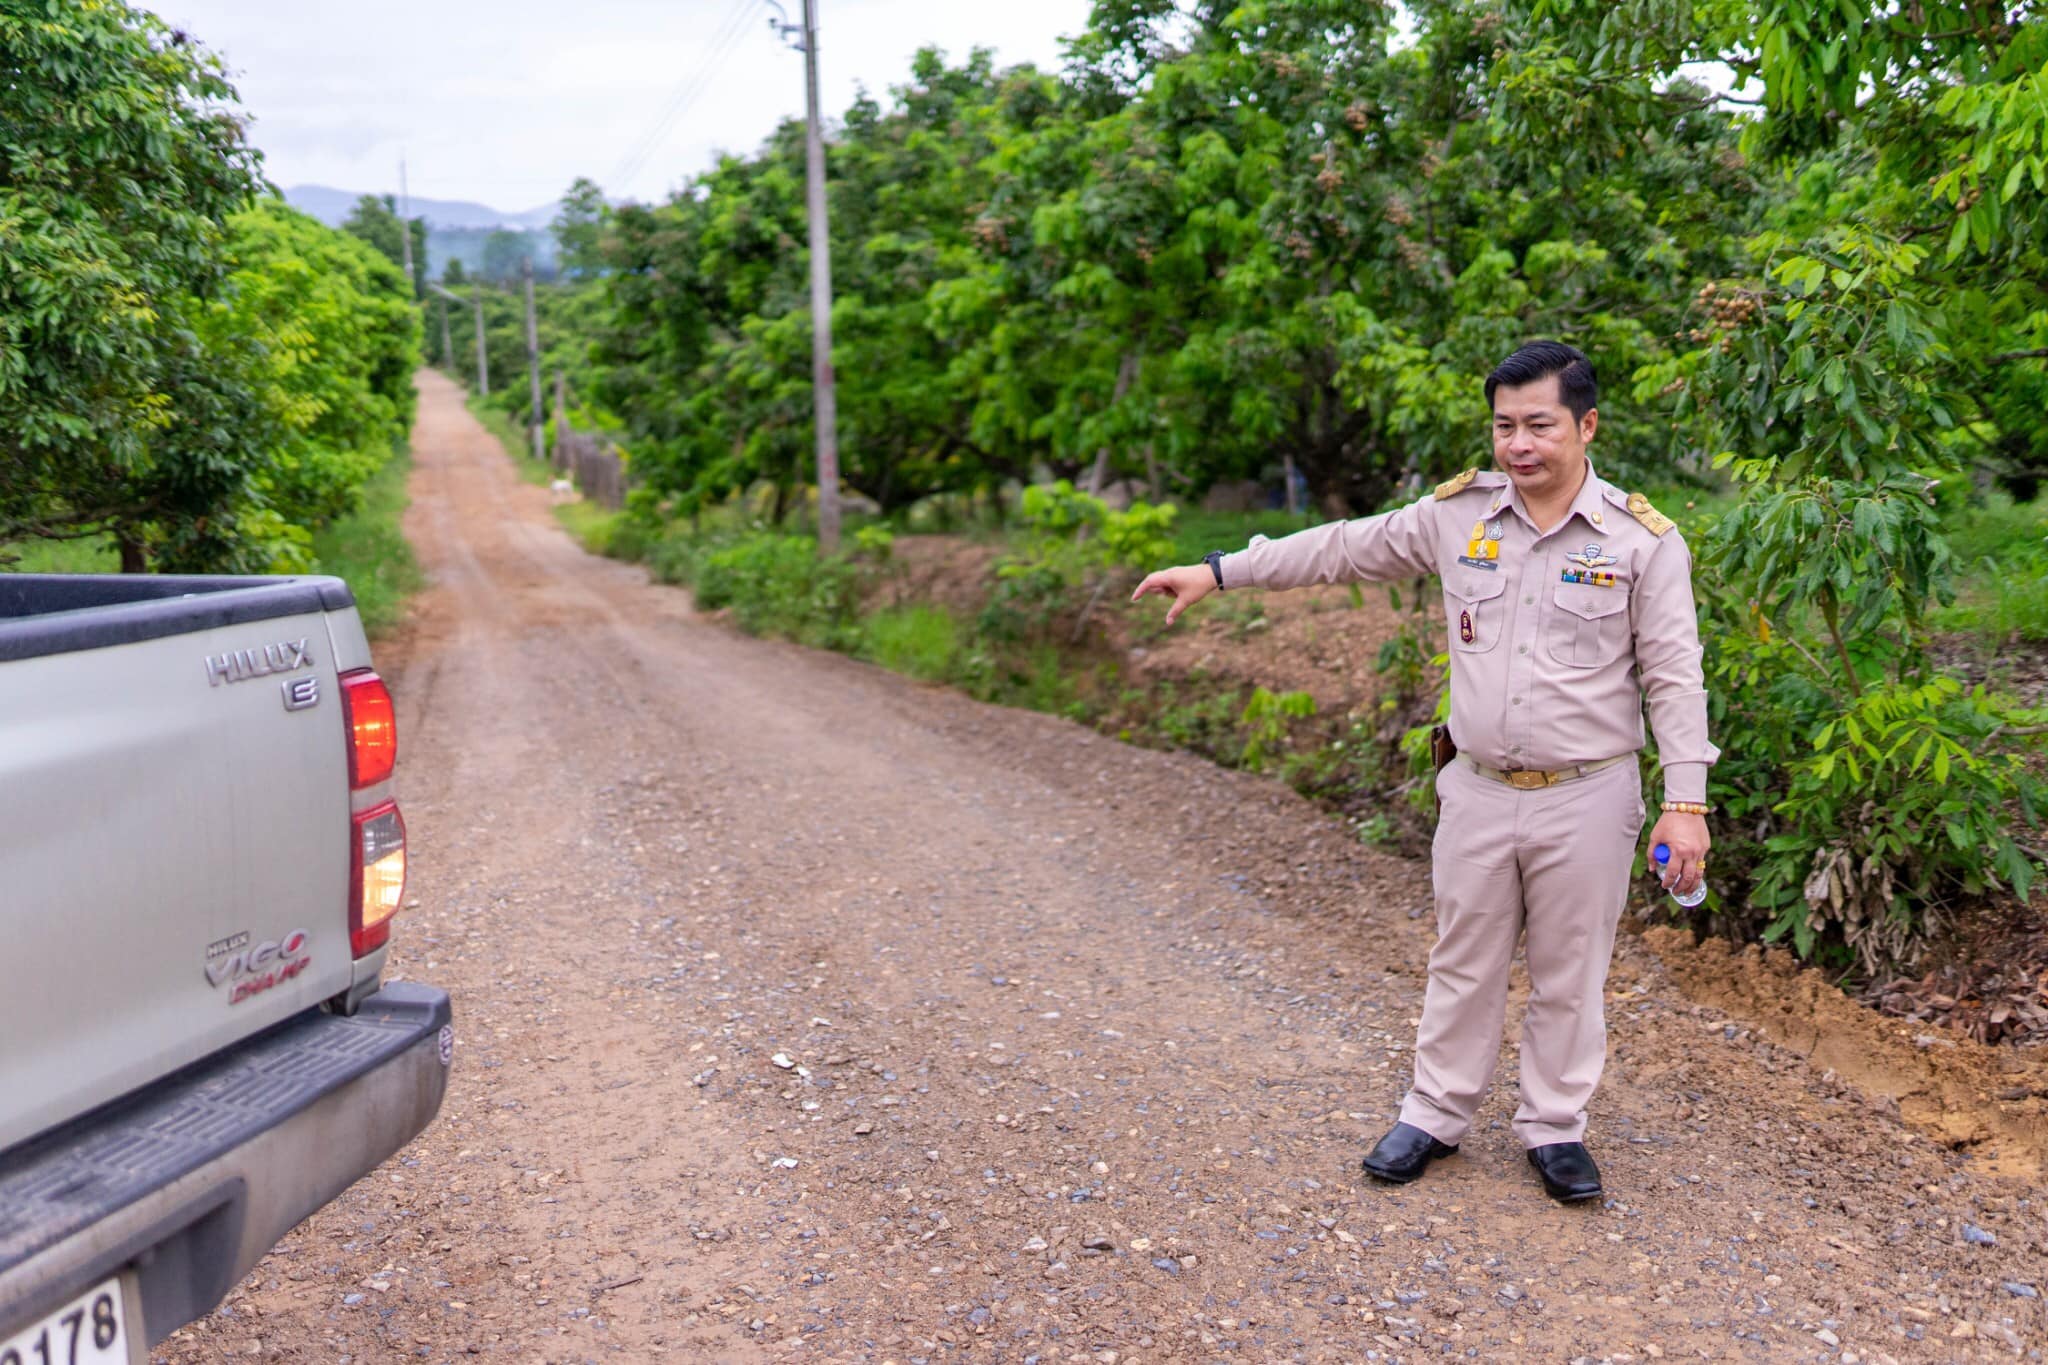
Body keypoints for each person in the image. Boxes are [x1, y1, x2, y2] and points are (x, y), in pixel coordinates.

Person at [1131, 340, 1715, 1203]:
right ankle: (1435, 1113)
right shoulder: (1459, 517)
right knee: (1462, 959)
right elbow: (1341, 547)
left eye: (1540, 425)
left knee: (1572, 968)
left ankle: (1554, 1127)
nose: (1520, 445)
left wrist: (1687, 803)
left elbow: (1674, 675)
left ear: (1586, 426)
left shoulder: (1641, 542)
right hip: (1476, 785)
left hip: (1589, 793)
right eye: (1505, 426)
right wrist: (1220, 572)